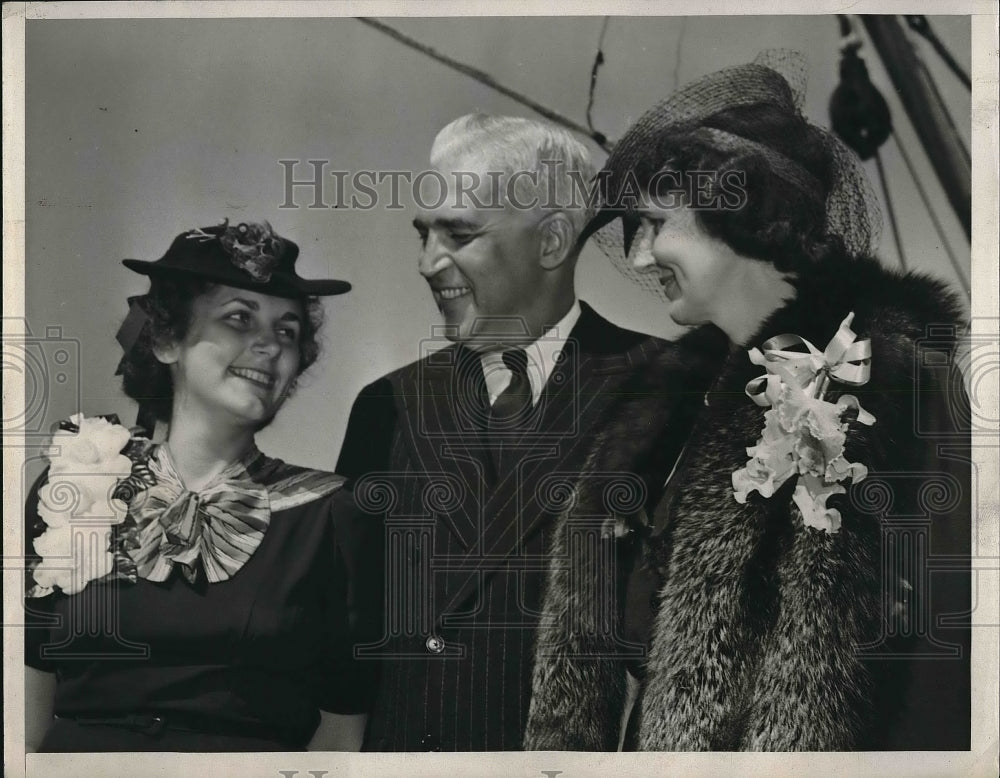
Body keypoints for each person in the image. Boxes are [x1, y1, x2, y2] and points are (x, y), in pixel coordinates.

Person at [523, 53, 971, 751]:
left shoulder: (900, 391)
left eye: (652, 224)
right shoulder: (664, 412)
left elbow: (943, 681)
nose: (638, 259)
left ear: (738, 211)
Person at [335, 114, 697, 751]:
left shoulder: (671, 390)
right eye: (423, 235)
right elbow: (347, 642)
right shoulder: (385, 405)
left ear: (553, 241)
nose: (427, 263)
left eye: (459, 234)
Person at [24, 219, 381, 752]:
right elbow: (24, 699)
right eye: (239, 318)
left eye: (287, 330)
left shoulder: (329, 515)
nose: (270, 345)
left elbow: (341, 734)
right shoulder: (76, 481)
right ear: (167, 340)